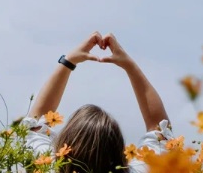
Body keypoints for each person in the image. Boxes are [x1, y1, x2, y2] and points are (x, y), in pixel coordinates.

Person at [19, 31, 173, 173]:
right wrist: (129, 65)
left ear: (65, 147)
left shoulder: (46, 166)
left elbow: (35, 121)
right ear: (118, 151)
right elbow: (160, 129)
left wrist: (69, 61)